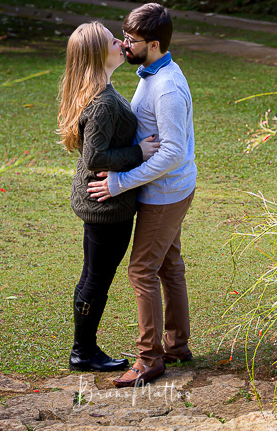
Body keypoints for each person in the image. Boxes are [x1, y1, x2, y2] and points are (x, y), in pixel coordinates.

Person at [86, 3, 197, 388]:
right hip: (170, 188)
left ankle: (150, 359)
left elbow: (171, 153)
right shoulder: (153, 71)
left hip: (165, 192)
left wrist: (119, 182)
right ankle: (177, 345)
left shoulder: (166, 88)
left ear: (153, 43)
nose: (124, 44)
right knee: (168, 265)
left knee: (141, 270)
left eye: (130, 40)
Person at [57, 21, 160, 372]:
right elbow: (95, 157)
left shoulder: (101, 91)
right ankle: (83, 352)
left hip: (103, 201)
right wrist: (140, 153)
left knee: (93, 276)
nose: (122, 43)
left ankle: (83, 349)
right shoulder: (101, 103)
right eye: (113, 41)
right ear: (97, 54)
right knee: (95, 279)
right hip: (105, 204)